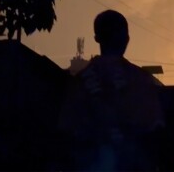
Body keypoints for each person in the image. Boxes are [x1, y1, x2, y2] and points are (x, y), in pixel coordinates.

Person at [58, 10, 165, 171]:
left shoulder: (79, 82)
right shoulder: (140, 79)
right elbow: (155, 132)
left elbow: (66, 133)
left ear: (97, 38)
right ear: (126, 38)